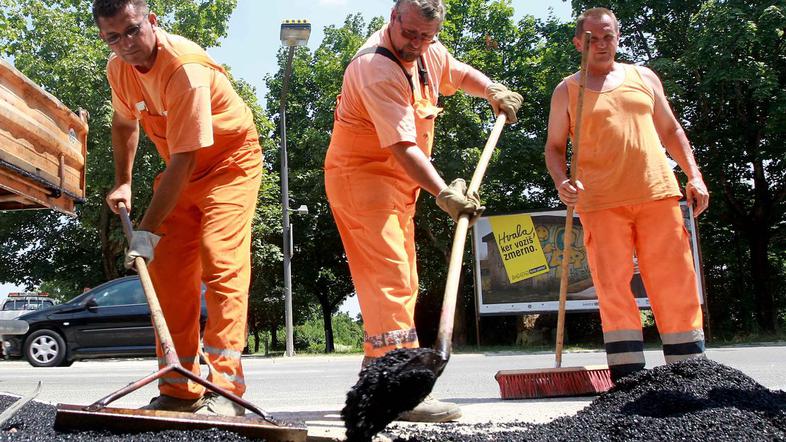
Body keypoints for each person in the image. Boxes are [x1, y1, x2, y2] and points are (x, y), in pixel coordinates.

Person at [324, 0, 522, 422]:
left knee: (406, 278)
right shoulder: (375, 68)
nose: (416, 44)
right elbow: (401, 146)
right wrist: (444, 193)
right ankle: (400, 387)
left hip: (398, 185)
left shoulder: (427, 50)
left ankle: (378, 372)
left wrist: (491, 89)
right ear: (393, 18)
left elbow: (458, 72)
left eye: (425, 36)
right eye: (410, 33)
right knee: (390, 276)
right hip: (361, 180)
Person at [93, 0, 262, 416]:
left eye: (132, 30)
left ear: (151, 20)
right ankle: (180, 388)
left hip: (229, 166)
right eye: (113, 37)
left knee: (220, 260)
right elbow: (124, 124)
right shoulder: (119, 69)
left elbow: (186, 158)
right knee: (167, 273)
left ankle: (226, 390)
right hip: (180, 173)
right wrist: (124, 180)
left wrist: (145, 232)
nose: (126, 44)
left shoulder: (185, 69)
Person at [544, 7, 709, 382]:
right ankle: (629, 375)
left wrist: (694, 175)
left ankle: (690, 371)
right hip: (600, 203)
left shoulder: (643, 77)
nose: (602, 45)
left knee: (674, 279)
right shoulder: (567, 90)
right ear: (578, 43)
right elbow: (554, 148)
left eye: (608, 36)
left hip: (657, 193)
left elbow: (672, 131)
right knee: (613, 286)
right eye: (592, 39)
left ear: (618, 36)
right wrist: (561, 181)